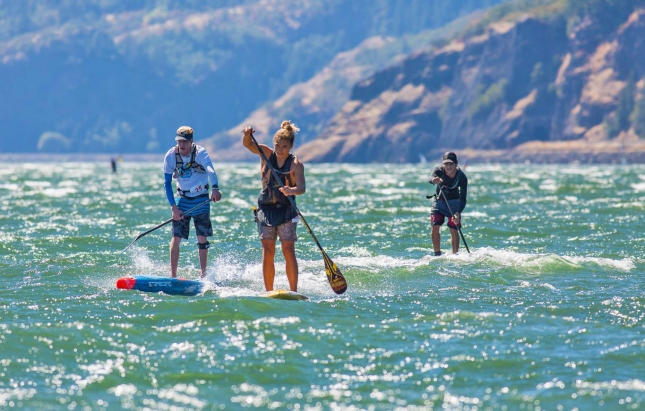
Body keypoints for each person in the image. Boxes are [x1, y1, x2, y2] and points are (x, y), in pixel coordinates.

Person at [242, 121, 306, 292]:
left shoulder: (296, 164)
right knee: (268, 251)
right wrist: (247, 134)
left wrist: (291, 189)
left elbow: (301, 188)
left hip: (287, 210)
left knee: (288, 250)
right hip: (266, 210)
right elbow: (248, 144)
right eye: (277, 145)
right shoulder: (266, 153)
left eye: (284, 147)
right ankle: (268, 291)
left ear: (291, 146)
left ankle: (293, 291)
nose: (280, 150)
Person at [163, 126, 222, 278]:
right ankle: (173, 276)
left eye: (185, 142)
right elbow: (167, 184)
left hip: (201, 199)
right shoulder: (170, 156)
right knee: (176, 238)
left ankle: (204, 276)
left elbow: (210, 170)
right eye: (179, 141)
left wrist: (215, 188)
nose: (181, 145)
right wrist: (173, 207)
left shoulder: (200, 153)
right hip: (182, 200)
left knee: (202, 237)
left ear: (191, 142)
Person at [429, 151, 468, 256]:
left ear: (456, 164)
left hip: (455, 204)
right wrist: (434, 179)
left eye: (451, 164)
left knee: (454, 229)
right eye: (446, 164)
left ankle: (455, 255)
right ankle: (437, 254)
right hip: (439, 202)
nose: (448, 167)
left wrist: (458, 213)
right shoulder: (438, 170)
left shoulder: (462, 178)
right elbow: (431, 177)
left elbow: (463, 199)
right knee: (435, 226)